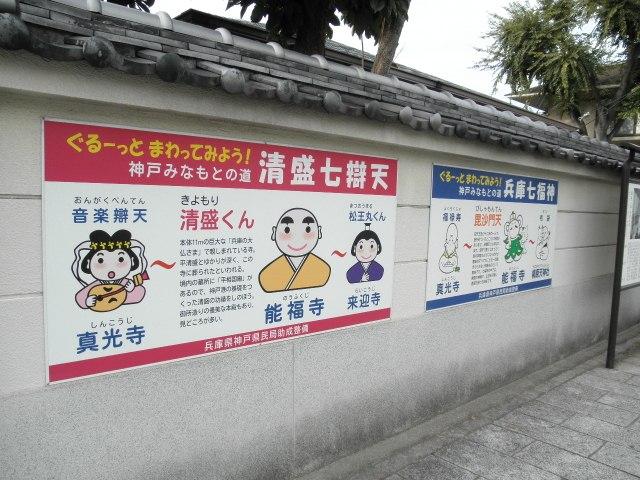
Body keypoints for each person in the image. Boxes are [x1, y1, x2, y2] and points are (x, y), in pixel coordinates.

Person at [259, 208, 331, 292]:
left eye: (308, 229)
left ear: (319, 232)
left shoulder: (323, 269)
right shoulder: (266, 275)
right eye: (287, 230)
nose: (297, 238)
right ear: (274, 233)